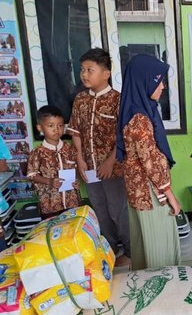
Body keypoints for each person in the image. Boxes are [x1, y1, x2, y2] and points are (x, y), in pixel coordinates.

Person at [116, 54, 181, 270]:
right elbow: (150, 161)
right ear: (144, 81)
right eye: (158, 80)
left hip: (138, 190)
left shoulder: (136, 109)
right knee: (159, 247)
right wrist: (170, 195)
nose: (162, 85)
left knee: (145, 244)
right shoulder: (140, 119)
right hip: (151, 192)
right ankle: (164, 291)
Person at [68, 48, 130, 266]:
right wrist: (80, 158)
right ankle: (109, 249)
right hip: (89, 167)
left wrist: (110, 161)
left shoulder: (118, 100)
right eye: (82, 70)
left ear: (106, 74)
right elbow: (75, 130)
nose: (84, 74)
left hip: (112, 167)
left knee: (117, 210)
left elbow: (124, 135)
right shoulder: (80, 100)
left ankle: (130, 251)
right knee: (99, 210)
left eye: (90, 70)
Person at [27, 106, 81, 219]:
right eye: (50, 126)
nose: (56, 129)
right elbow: (32, 175)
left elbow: (75, 168)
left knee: (71, 230)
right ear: (39, 127)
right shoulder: (37, 152)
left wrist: (76, 180)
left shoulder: (69, 148)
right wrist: (49, 181)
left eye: (60, 125)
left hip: (72, 202)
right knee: (52, 232)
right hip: (49, 204)